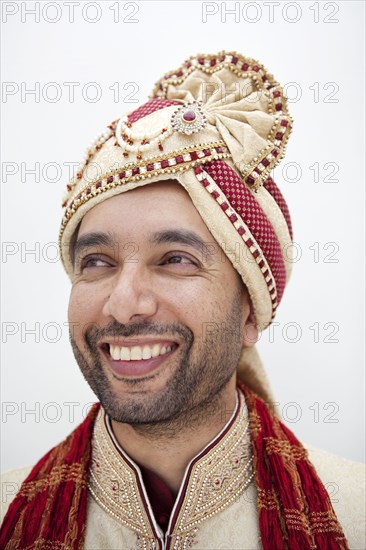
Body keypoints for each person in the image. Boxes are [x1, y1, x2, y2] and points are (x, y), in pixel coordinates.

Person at [1, 51, 364, 549]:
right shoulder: (8, 512)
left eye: (175, 260)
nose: (123, 305)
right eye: (97, 263)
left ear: (250, 312)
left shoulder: (355, 512)